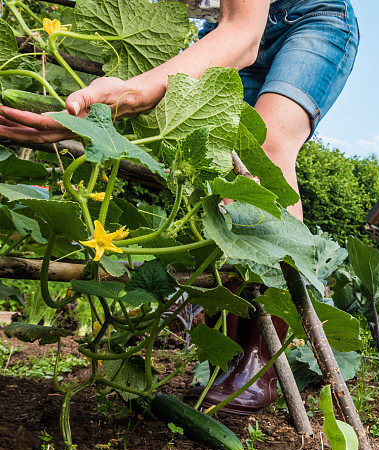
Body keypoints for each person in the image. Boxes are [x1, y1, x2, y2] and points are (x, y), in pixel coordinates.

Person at [0, 0, 359, 414]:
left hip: (310, 20)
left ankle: (254, 355)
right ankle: (223, 350)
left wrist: (132, 92)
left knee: (268, 147)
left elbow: (244, 37)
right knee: (216, 164)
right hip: (228, 24)